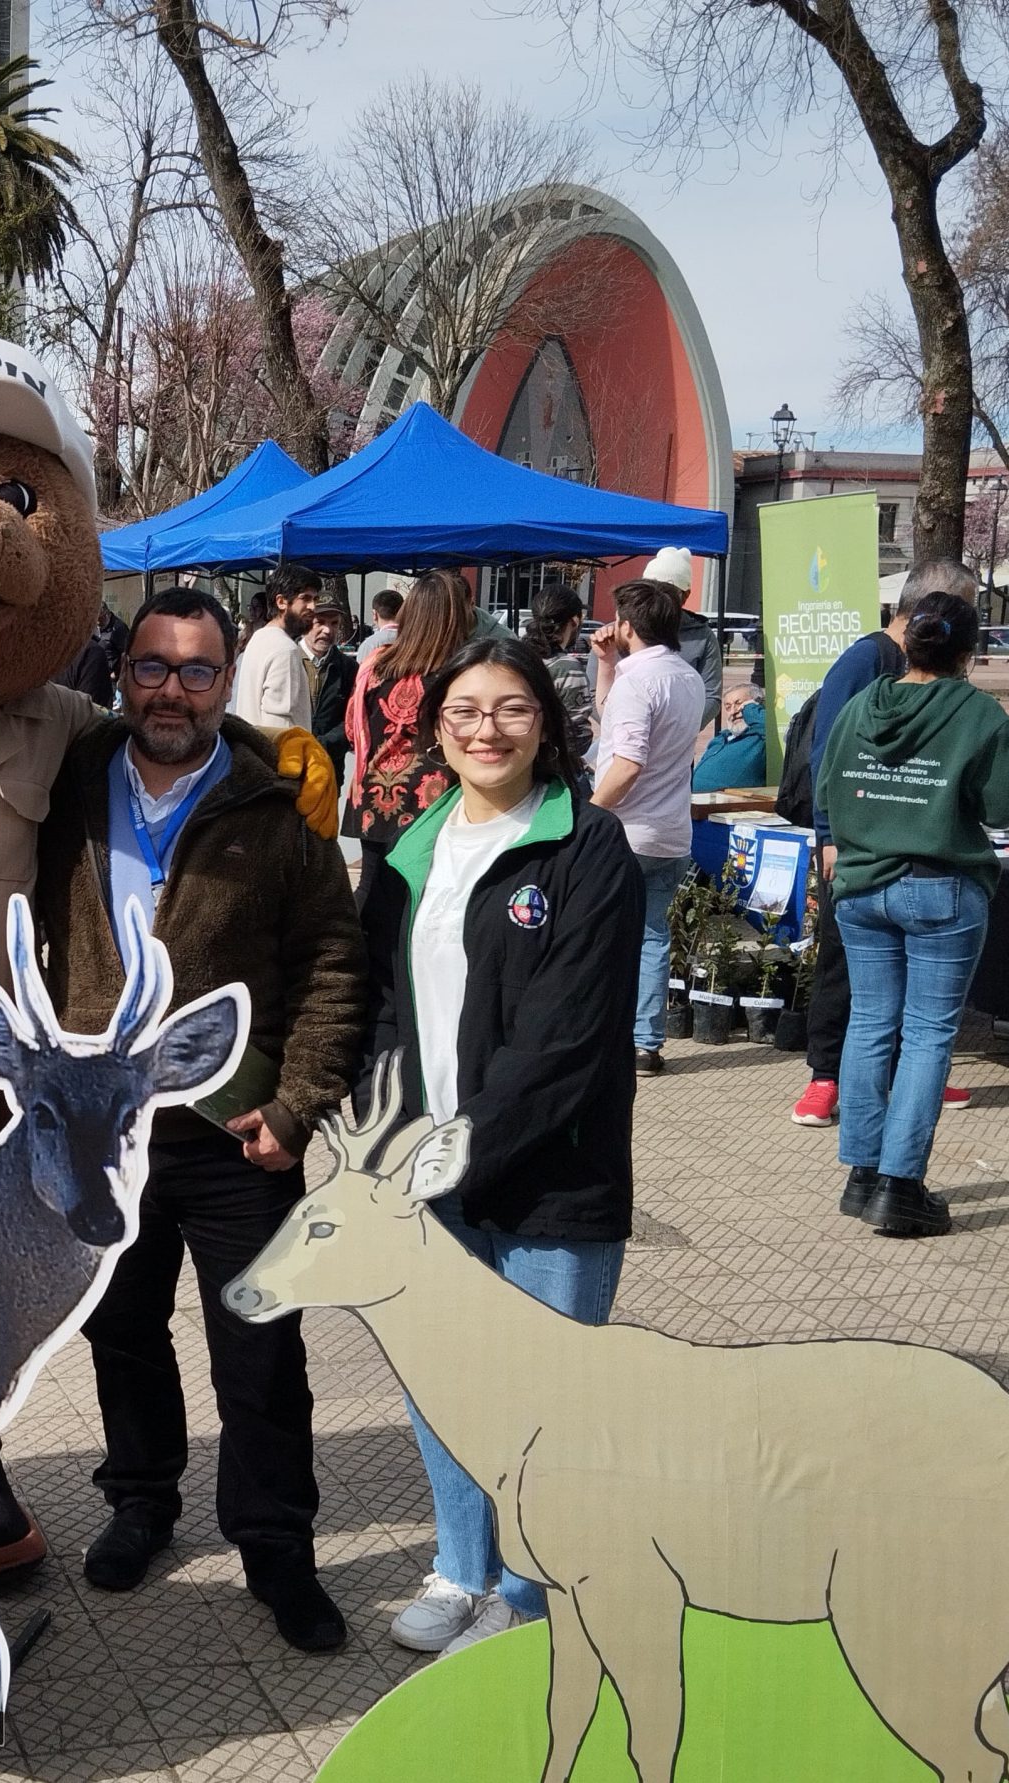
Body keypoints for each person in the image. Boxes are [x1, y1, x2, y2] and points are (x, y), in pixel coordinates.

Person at [35, 587, 368, 1652]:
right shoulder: (72, 782)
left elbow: (329, 962)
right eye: (150, 666)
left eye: (195, 670)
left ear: (229, 681)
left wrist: (298, 1104)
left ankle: (276, 1544)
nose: (170, 690)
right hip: (109, 1135)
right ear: (120, 672)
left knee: (260, 1352)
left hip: (237, 1133)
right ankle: (141, 1499)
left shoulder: (274, 805)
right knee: (121, 1333)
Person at [359, 635, 643, 1659]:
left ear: (547, 724)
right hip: (424, 1174)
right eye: (467, 709)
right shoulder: (409, 849)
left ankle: (527, 1595)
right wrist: (390, 1134)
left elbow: (566, 1036)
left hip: (549, 1177)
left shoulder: (586, 846)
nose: (487, 728)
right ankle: (460, 1565)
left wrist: (456, 1155)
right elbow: (380, 1007)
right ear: (436, 725)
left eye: (512, 708)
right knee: (443, 1382)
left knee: (543, 1404)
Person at [819, 588, 1009, 1240]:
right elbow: (1003, 808)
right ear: (969, 651)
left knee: (870, 1024)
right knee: (928, 1034)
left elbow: (828, 789)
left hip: (860, 886)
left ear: (906, 641)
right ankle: (900, 1188)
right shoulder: (979, 714)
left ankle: (860, 1174)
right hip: (939, 888)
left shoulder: (858, 707)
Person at [788, 567, 973, 1127]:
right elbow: (828, 753)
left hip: (909, 847)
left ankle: (908, 1073)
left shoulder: (934, 672)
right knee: (842, 961)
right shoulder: (866, 660)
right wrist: (828, 835)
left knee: (907, 968)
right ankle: (824, 1077)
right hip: (851, 845)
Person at [588, 578, 706, 1076]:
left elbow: (628, 759)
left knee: (601, 934)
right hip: (671, 828)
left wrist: (590, 812)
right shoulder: (688, 677)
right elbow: (609, 716)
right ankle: (645, 1042)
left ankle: (604, 1031)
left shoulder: (641, 682)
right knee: (652, 936)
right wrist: (607, 665)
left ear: (628, 626)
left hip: (626, 828)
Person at [347, 570, 475, 893]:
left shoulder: (375, 666)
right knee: (423, 893)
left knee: (371, 887)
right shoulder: (456, 674)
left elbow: (353, 729)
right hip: (431, 798)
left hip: (373, 792)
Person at [642, 546, 723, 721]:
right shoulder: (621, 628)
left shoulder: (703, 637)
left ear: (685, 595)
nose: (657, 598)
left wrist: (680, 731)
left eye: (666, 592)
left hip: (677, 741)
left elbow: (712, 696)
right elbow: (596, 689)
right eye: (649, 589)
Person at [232, 574, 316, 731]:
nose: (312, 607)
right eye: (305, 598)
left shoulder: (259, 638)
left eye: (314, 599)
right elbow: (279, 726)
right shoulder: (285, 649)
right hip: (277, 752)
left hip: (254, 749)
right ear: (281, 602)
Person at [530, 585, 593, 773]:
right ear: (575, 621)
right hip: (552, 773)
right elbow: (577, 736)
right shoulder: (567, 668)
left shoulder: (515, 655)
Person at [303, 583, 359, 782]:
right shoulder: (287, 659)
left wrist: (322, 745)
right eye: (320, 622)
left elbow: (353, 719)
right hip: (289, 768)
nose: (327, 630)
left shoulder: (348, 668)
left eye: (334, 623)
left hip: (329, 770)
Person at [692, 681, 769, 793]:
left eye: (739, 704)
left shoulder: (761, 738)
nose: (733, 711)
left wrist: (751, 709)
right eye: (728, 707)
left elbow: (771, 726)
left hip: (725, 804)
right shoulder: (720, 739)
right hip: (690, 801)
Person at [55, 604, 129, 707]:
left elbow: (126, 654)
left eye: (99, 620)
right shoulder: (83, 650)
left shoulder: (118, 629)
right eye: (96, 621)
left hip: (109, 677)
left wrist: (117, 674)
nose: (98, 624)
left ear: (105, 614)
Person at [357, 586, 404, 662]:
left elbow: (361, 672)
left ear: (374, 614)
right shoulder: (415, 642)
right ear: (403, 611)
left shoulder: (369, 645)